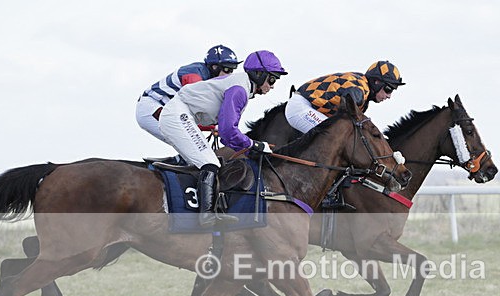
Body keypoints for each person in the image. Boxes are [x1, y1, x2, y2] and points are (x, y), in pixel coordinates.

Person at [158, 50, 287, 227]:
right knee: (210, 163)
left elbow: (227, 130)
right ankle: (207, 216)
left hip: (182, 114)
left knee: (207, 161)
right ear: (259, 74)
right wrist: (254, 144)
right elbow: (228, 133)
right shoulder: (239, 90)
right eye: (272, 79)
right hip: (178, 114)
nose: (272, 86)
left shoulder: (242, 85)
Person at [136, 44, 242, 142]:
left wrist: (214, 126)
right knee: (193, 142)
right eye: (227, 69)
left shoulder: (208, 78)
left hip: (161, 107)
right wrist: (214, 126)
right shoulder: (194, 75)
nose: (229, 74)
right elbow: (198, 109)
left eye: (232, 71)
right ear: (214, 67)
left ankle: (181, 161)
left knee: (196, 143)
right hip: (152, 107)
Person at [284, 60, 405, 134]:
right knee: (335, 134)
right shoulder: (359, 91)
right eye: (388, 89)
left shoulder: (362, 87)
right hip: (301, 107)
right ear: (376, 82)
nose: (389, 96)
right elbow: (346, 115)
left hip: (307, 106)